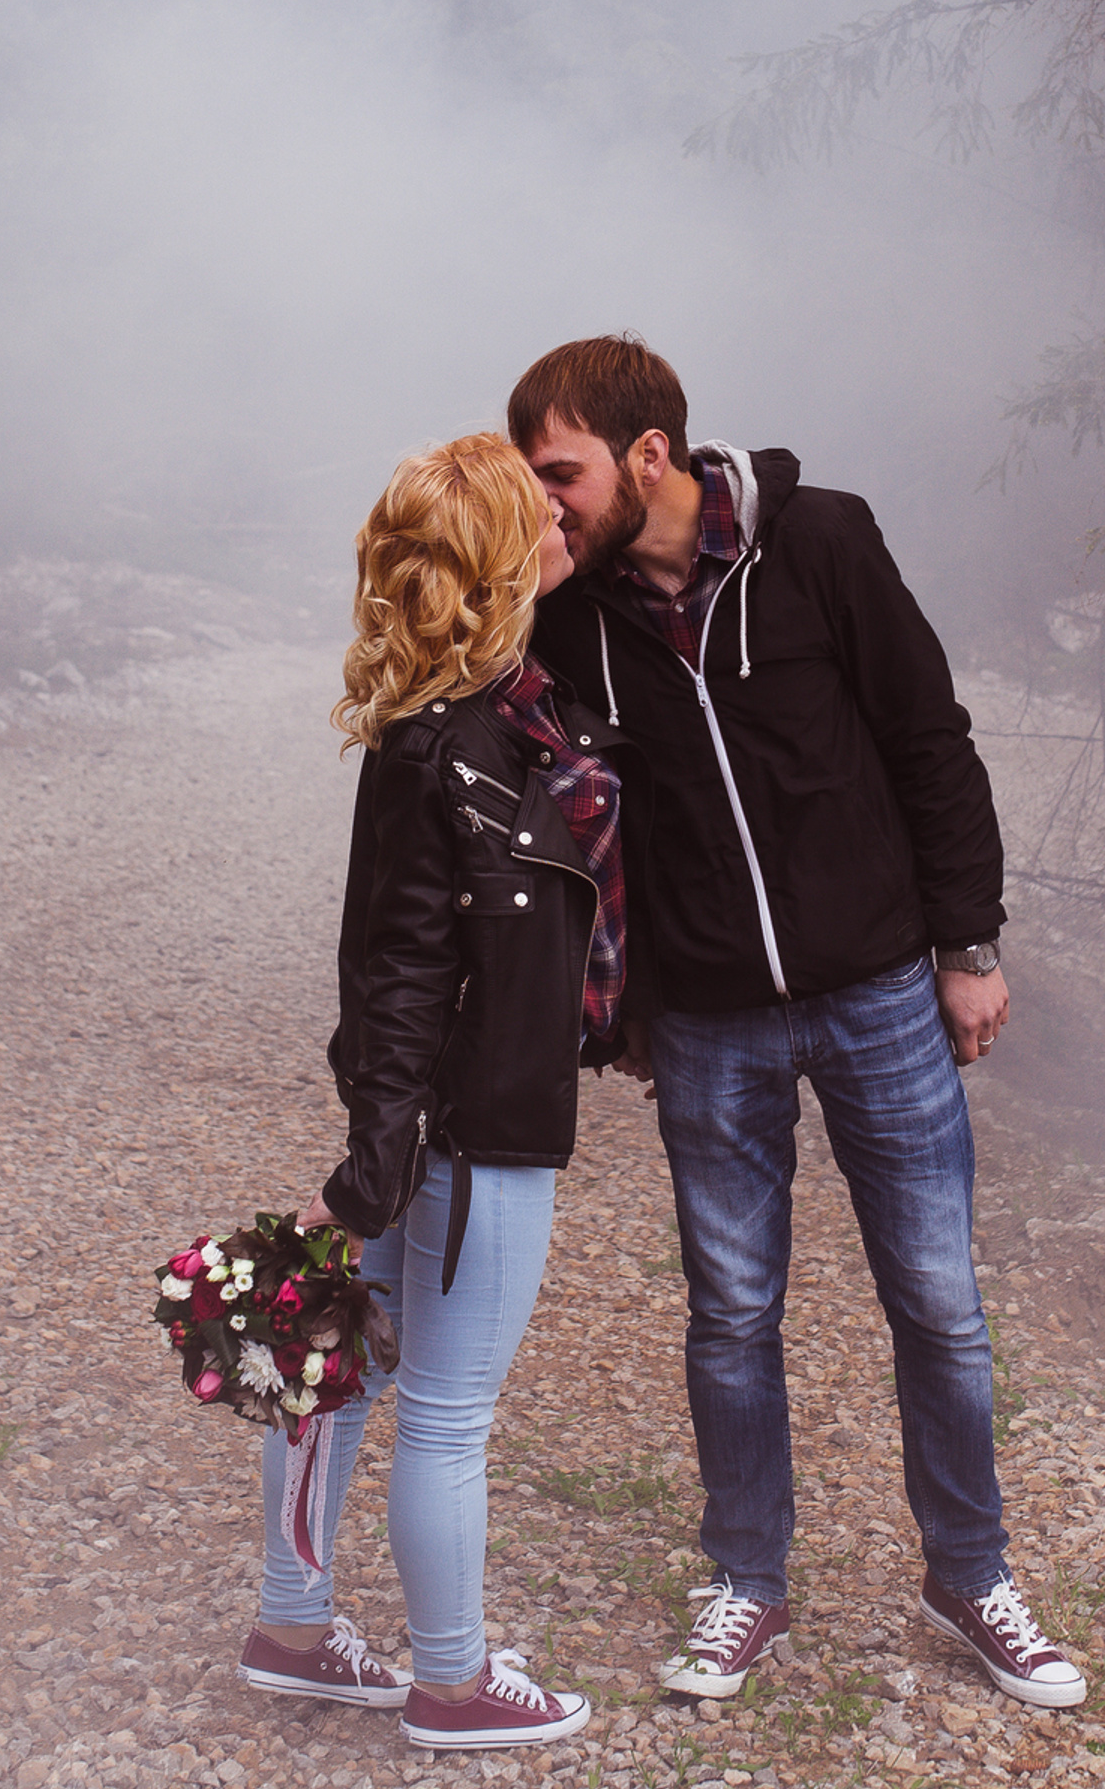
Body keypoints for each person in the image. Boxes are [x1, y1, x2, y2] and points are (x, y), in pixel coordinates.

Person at [511, 335, 1088, 1712]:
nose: (547, 506)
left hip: (882, 989)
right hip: (709, 1020)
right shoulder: (571, 614)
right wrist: (628, 1004)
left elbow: (928, 740)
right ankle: (746, 1582)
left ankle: (971, 1571)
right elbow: (566, 808)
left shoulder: (819, 541)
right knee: (731, 1313)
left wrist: (969, 946)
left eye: (561, 476)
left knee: (939, 1303)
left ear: (648, 457)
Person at [235, 432, 628, 1754]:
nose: (571, 530)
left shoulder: (492, 721)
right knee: (445, 1413)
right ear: (507, 564)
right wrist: (373, 1161)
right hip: (472, 1135)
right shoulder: (452, 745)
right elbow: (401, 971)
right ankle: (453, 1683)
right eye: (545, 521)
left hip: (447, 1126)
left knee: (347, 1368)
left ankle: (293, 1627)